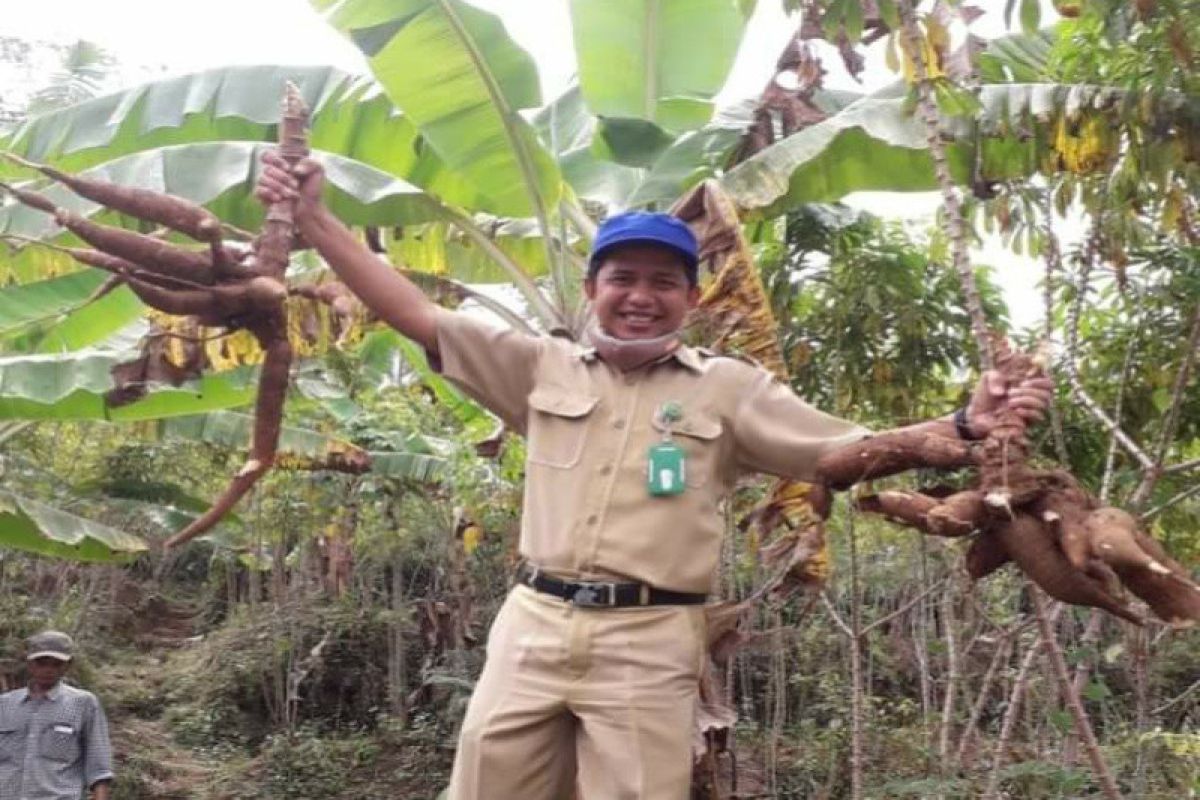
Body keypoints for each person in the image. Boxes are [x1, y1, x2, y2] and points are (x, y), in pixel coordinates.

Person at [256, 152, 1052, 799]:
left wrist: (961, 427)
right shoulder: (539, 367)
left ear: (691, 295)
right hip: (533, 624)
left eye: (662, 282)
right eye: (623, 279)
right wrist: (318, 221)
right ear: (595, 289)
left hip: (650, 638)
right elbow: (416, 315)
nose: (641, 297)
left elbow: (841, 452)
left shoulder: (729, 388)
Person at [0, 631, 114, 800]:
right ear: (29, 663)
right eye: (41, 663)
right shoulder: (5, 704)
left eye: (56, 664)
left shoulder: (83, 704)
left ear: (68, 665)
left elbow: (99, 768)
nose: (48, 670)